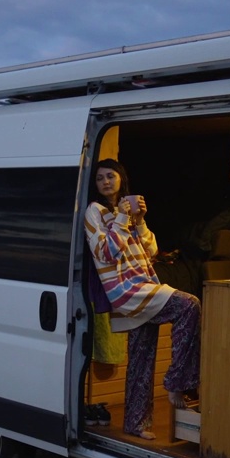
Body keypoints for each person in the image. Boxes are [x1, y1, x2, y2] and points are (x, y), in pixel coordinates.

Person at [84, 158, 200, 440]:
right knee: (189, 305)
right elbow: (106, 253)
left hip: (144, 283)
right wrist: (123, 219)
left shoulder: (126, 211)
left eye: (110, 176)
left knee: (141, 357)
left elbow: (151, 251)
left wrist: (139, 220)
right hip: (126, 291)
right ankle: (176, 382)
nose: (106, 182)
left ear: (121, 178)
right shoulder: (94, 211)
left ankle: (136, 424)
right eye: (100, 178)